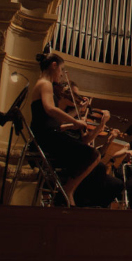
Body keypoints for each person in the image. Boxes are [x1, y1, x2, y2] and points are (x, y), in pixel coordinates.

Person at [29, 52, 100, 206]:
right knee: (93, 155)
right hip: (47, 138)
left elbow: (51, 121)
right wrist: (74, 122)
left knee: (86, 158)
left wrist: (73, 120)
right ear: (54, 65)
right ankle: (67, 191)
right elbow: (50, 109)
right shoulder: (45, 83)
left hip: (47, 134)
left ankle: (66, 193)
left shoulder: (43, 84)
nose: (61, 75)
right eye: (61, 69)